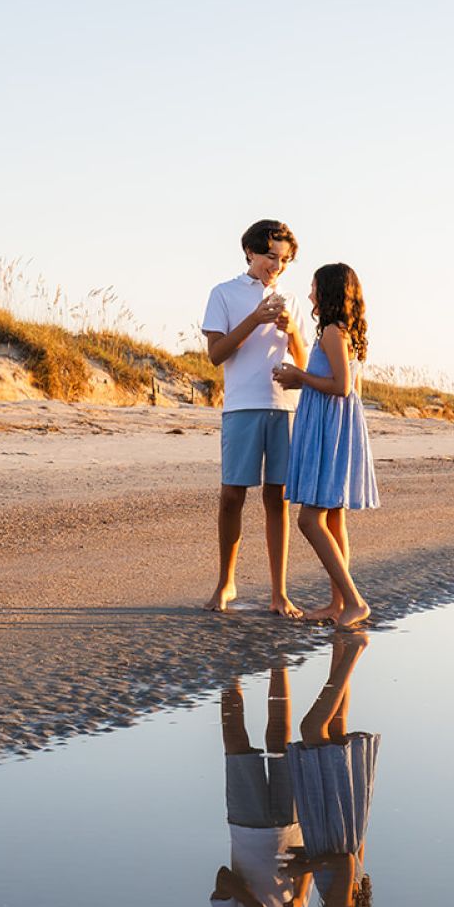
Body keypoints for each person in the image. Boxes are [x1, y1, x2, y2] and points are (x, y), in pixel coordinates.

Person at [201, 220, 307, 617]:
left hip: (283, 407)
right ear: (249, 251)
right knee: (232, 495)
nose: (275, 267)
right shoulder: (224, 293)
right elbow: (217, 355)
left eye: (283, 260)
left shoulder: (290, 300)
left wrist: (292, 329)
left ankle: (279, 592)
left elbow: (303, 358)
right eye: (269, 257)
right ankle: (226, 582)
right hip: (242, 406)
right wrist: (256, 319)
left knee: (277, 499)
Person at [275, 263, 377, 628]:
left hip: (328, 430)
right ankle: (338, 604)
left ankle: (353, 601)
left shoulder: (333, 333)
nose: (309, 294)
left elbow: (342, 387)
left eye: (314, 287)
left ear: (330, 292)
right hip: (334, 426)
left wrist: (298, 375)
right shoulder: (341, 332)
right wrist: (299, 378)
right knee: (334, 518)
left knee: (309, 519)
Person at [209, 666, 311, 907]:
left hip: (246, 826)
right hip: (290, 825)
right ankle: (278, 660)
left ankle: (229, 671)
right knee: (279, 736)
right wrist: (297, 898)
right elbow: (306, 872)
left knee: (236, 741)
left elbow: (223, 879)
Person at [284, 631, 377, 907]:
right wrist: (305, 865)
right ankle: (354, 650)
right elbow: (345, 863)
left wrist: (307, 855)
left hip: (346, 818)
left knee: (336, 726)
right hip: (332, 816)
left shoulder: (357, 903)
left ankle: (341, 646)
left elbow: (353, 855)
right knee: (312, 729)